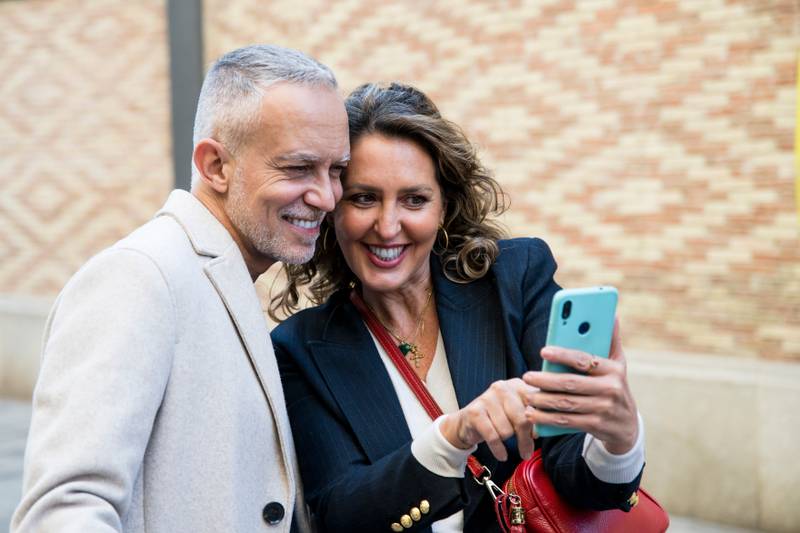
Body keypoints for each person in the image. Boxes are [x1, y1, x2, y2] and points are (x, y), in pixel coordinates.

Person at [270, 82, 645, 532]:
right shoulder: (299, 349)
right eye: (364, 197)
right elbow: (339, 513)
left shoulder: (514, 281)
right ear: (333, 208)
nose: (388, 226)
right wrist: (453, 437)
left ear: (445, 206)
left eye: (414, 199)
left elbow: (578, 474)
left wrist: (617, 440)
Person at [11, 44, 350, 533]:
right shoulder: (136, 278)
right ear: (214, 166)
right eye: (298, 168)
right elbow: (65, 510)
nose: (326, 196)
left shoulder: (220, 272)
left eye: (336, 170)